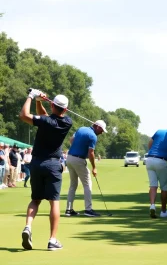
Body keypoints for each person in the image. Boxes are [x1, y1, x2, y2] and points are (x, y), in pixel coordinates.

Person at [19, 89, 72, 251]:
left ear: (53, 105)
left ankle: (28, 226)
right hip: (53, 165)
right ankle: (52, 240)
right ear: (65, 109)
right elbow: (47, 116)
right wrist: (40, 101)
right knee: (53, 202)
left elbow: (23, 115)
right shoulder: (67, 122)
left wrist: (31, 96)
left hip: (36, 164)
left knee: (36, 199)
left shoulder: (45, 121)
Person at [65, 120, 107, 217]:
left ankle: (69, 210)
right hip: (79, 160)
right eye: (102, 130)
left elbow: (71, 140)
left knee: (73, 185)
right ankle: (88, 210)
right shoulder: (93, 136)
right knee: (87, 184)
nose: (102, 132)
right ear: (97, 127)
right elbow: (91, 153)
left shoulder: (81, 128)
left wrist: (77, 146)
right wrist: (94, 167)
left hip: (69, 158)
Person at [146, 122, 167, 219]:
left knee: (153, 185)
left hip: (149, 160)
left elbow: (150, 143)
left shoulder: (159, 131)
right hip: (161, 161)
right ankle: (163, 211)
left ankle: (152, 205)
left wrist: (151, 153)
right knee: (164, 187)